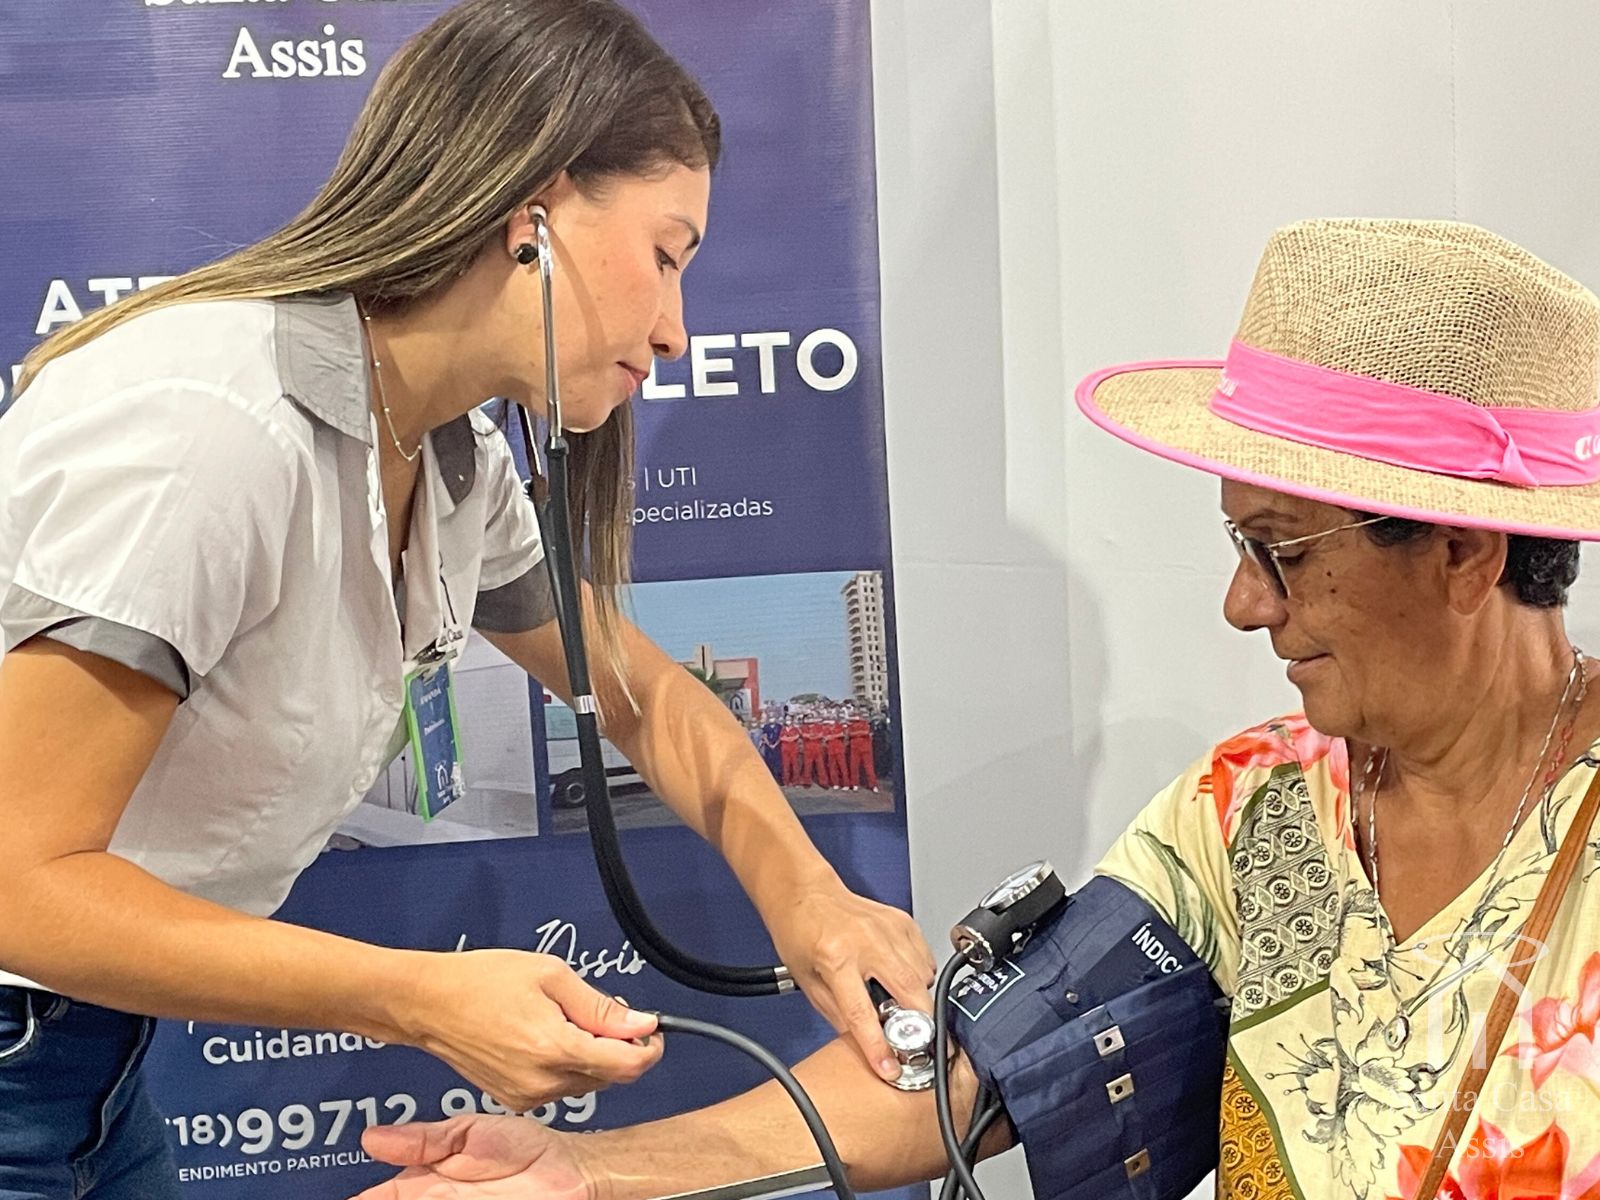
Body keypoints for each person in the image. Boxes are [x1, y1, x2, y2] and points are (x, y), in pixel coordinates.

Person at [350, 219, 1600, 1200]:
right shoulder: (1253, 808)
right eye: (1236, 544)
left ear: (1466, 554)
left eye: (1282, 550)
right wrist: (593, 1174)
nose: (1240, 605)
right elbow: (978, 1069)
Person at [0, 3, 936, 1196]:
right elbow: (16, 884)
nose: (674, 329)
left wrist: (814, 902)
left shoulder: (448, 460)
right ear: (532, 210)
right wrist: (418, 997)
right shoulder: (213, 427)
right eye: (665, 255)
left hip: (96, 1056)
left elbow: (645, 696)